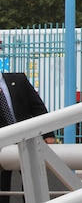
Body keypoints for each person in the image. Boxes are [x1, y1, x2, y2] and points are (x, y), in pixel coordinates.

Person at [0, 72, 56, 203]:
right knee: (2, 186)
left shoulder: (19, 80)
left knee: (32, 182)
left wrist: (48, 135)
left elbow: (37, 107)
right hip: (2, 145)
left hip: (26, 141)